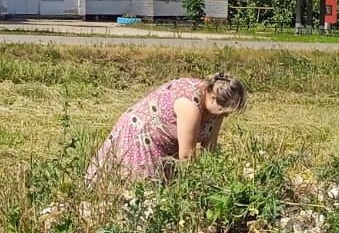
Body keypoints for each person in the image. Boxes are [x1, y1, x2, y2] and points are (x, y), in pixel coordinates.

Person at [86, 72, 248, 184]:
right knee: (137, 193)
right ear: (213, 98)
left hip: (165, 146)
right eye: (224, 111)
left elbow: (209, 148)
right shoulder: (190, 105)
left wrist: (214, 174)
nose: (225, 116)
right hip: (143, 138)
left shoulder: (216, 109)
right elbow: (187, 156)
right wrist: (200, 186)